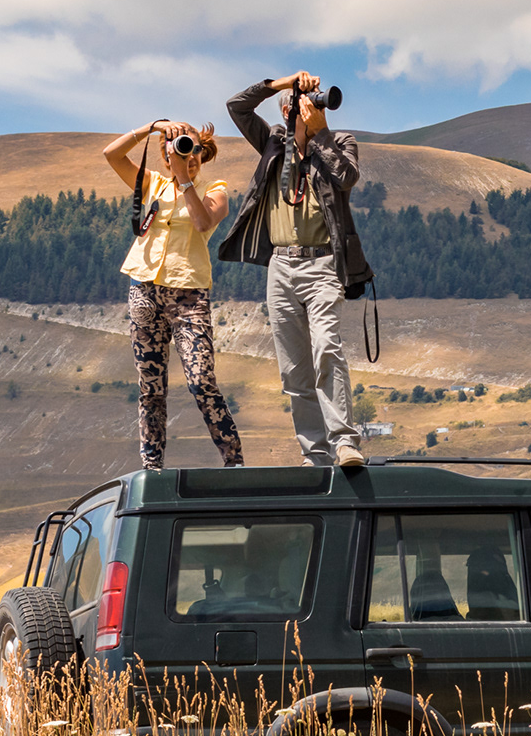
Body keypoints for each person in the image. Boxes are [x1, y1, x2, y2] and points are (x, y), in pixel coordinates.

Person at [220, 71, 374, 467]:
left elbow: (346, 177)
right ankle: (315, 453)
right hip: (281, 266)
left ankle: (344, 443)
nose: (307, 107)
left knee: (327, 350)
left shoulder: (339, 142)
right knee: (293, 370)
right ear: (286, 110)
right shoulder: (272, 143)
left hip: (322, 263)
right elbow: (236, 106)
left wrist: (320, 134)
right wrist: (279, 82)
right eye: (299, 103)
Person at [102, 119, 244, 470]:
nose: (187, 155)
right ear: (166, 156)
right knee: (151, 387)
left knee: (201, 380)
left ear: (203, 152)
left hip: (189, 296)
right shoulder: (152, 183)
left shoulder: (216, 189)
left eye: (192, 148)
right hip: (144, 290)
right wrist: (151, 128)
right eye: (178, 148)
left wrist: (184, 180)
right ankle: (152, 465)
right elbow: (111, 154)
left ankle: (233, 460)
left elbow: (202, 222)